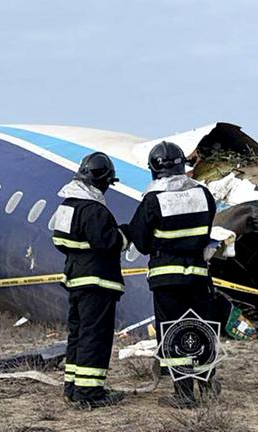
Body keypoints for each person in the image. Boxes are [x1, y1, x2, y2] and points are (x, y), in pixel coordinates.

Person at [123, 141, 220, 409]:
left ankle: (184, 394)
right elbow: (206, 230)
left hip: (167, 279)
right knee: (202, 328)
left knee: (174, 333)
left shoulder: (153, 199)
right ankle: (208, 383)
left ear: (154, 169)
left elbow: (141, 242)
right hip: (199, 276)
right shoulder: (203, 194)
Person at [51, 152, 128, 409]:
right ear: (103, 180)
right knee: (95, 335)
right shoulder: (94, 210)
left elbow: (59, 241)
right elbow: (108, 242)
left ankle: (72, 388)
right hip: (97, 282)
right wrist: (125, 234)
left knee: (79, 333)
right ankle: (90, 392)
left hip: (75, 280)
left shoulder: (67, 206)